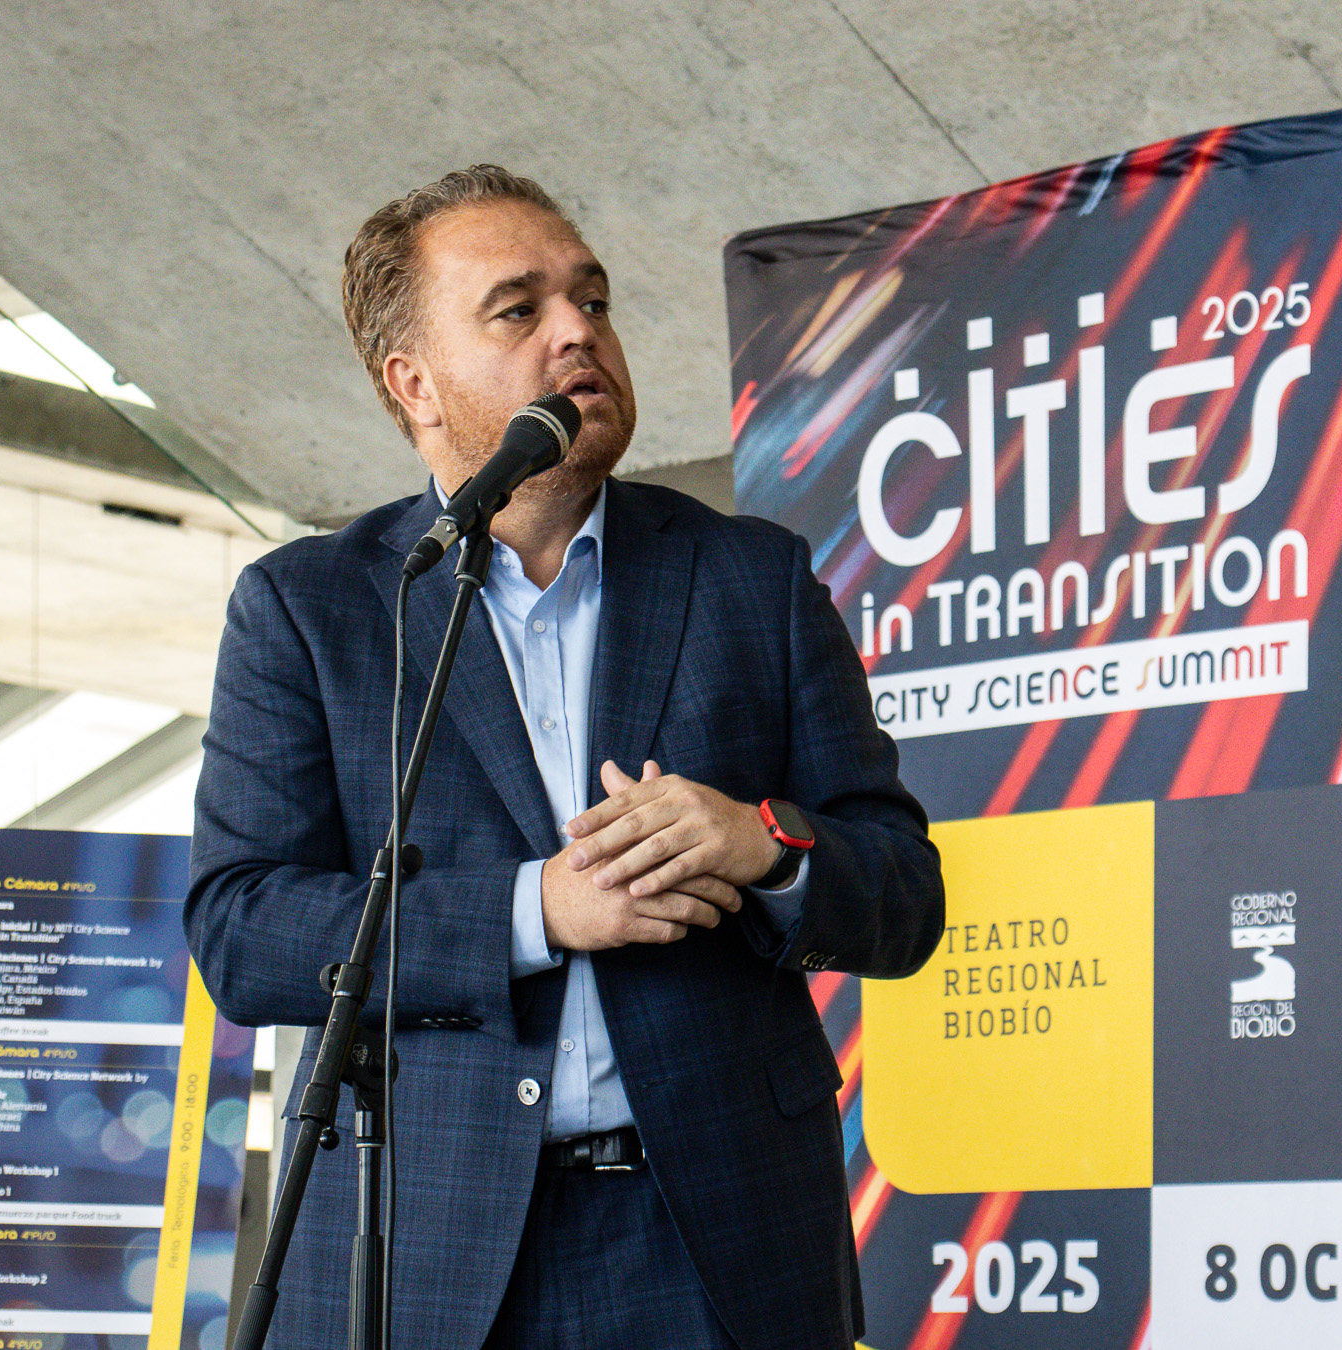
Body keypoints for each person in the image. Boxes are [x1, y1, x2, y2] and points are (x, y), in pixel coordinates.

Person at [186, 165, 943, 1350]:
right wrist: (535, 909)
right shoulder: (311, 609)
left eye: (591, 299)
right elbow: (244, 929)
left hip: (719, 1244)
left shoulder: (751, 579)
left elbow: (902, 899)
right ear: (413, 383)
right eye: (518, 309)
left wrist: (763, 845)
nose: (578, 331)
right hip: (424, 1250)